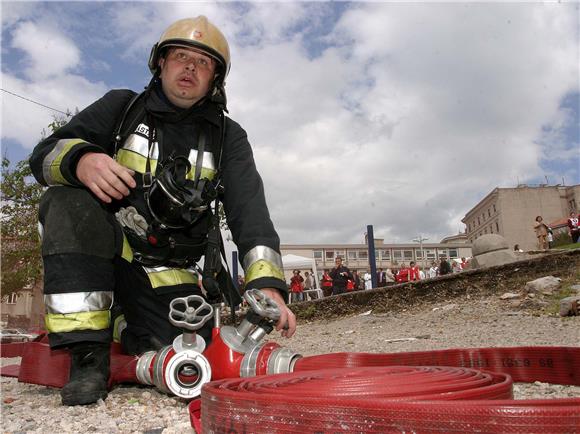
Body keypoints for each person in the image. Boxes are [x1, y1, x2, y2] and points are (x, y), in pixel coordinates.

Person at [28, 16, 295, 407]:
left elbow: (249, 212)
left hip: (170, 272)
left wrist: (266, 285)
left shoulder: (228, 138)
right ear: (161, 63)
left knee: (186, 358)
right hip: (108, 253)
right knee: (67, 199)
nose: (190, 67)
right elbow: (44, 156)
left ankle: (121, 322)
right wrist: (82, 160)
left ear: (215, 78)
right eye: (181, 56)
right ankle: (87, 357)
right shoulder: (120, 108)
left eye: (202, 63)